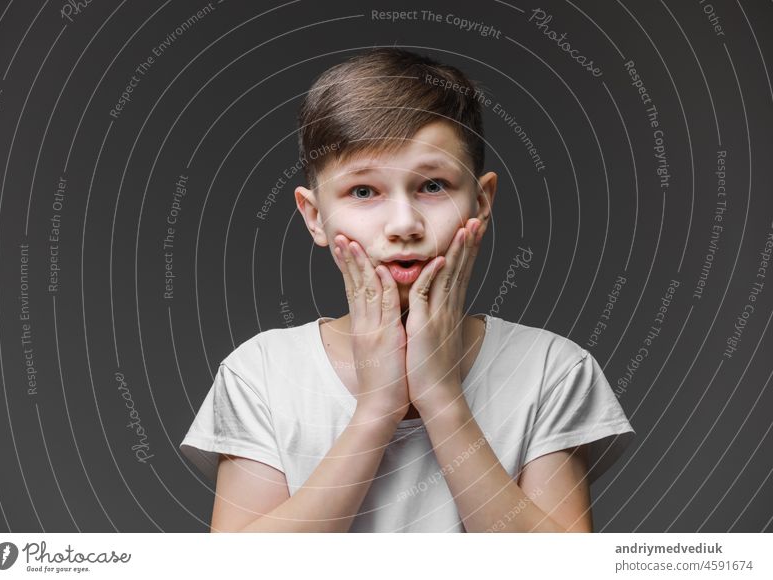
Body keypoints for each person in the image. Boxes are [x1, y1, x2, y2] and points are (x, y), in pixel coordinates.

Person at [179, 47, 635, 533]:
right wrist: (377, 410)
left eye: (433, 185)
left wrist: (442, 397)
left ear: (480, 202)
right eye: (362, 191)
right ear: (315, 216)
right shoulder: (262, 374)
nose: (403, 225)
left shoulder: (550, 371)